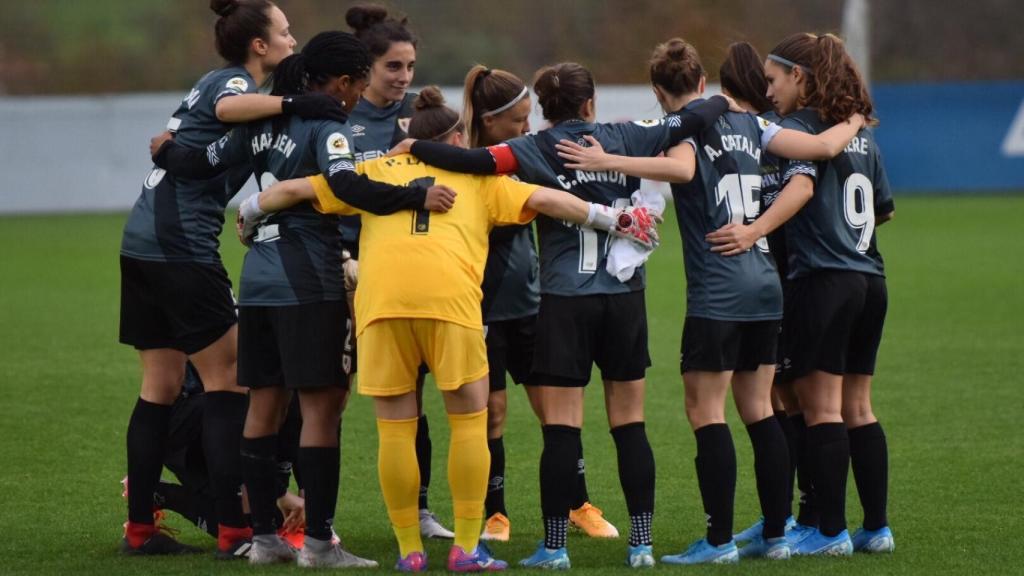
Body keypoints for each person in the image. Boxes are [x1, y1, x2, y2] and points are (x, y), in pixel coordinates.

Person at [237, 86, 657, 572]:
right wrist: (616, 219)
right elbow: (549, 200)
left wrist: (249, 213)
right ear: (457, 137)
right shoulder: (479, 179)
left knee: (395, 430)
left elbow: (293, 190)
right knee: (469, 422)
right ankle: (466, 549)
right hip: (450, 304)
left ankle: (409, 552)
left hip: (383, 307)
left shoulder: (370, 172)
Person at [393, 62, 734, 569]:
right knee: (630, 423)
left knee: (561, 428)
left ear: (543, 111)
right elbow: (692, 117)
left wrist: (413, 147)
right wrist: (724, 99)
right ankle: (641, 544)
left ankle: (554, 548)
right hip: (624, 299)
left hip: (564, 301)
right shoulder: (626, 135)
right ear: (590, 103)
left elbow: (473, 162)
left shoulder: (532, 148)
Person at [553, 38, 865, 564]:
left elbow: (681, 171)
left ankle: (718, 541)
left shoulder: (692, 129)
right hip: (766, 286)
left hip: (718, 293)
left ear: (659, 91)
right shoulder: (759, 127)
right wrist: (855, 120)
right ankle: (776, 534)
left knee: (707, 413)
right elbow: (818, 151)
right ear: (703, 83)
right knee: (761, 410)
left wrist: (606, 158)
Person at [151, 30, 455, 567]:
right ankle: (318, 544)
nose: (357, 97)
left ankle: (265, 540)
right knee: (321, 411)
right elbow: (349, 187)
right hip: (310, 282)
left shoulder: (263, 125)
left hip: (259, 283)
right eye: (358, 85)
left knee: (263, 406)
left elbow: (201, 163)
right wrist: (416, 194)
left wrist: (169, 148)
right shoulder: (328, 127)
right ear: (342, 84)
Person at [117, 0, 346, 557]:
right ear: (259, 46)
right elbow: (226, 111)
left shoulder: (220, 87)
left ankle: (140, 527)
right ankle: (235, 530)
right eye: (285, 32)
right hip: (180, 248)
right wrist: (299, 100)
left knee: (161, 388)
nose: (292, 40)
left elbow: (204, 149)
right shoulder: (234, 82)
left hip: (142, 242)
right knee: (231, 385)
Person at [705, 32, 895, 556]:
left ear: (799, 77)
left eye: (774, 79)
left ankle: (827, 530)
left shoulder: (799, 128)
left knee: (822, 410)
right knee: (860, 406)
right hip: (869, 279)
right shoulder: (863, 137)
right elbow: (883, 210)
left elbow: (802, 187)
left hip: (822, 280)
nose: (769, 91)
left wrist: (756, 228)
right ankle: (875, 527)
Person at [461, 65, 619, 543]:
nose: (527, 128)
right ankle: (496, 515)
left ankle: (578, 504)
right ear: (489, 123)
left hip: (531, 304)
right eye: (517, 121)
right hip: (481, 311)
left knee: (556, 411)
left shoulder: (524, 156)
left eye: (530, 117)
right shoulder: (474, 167)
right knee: (492, 415)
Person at [343, 4, 453, 539]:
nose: (404, 77)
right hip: (350, 275)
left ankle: (422, 512)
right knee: (328, 398)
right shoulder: (344, 122)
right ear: (367, 69)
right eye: (393, 67)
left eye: (410, 66)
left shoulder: (422, 116)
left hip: (416, 276)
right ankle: (307, 515)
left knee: (416, 398)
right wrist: (346, 261)